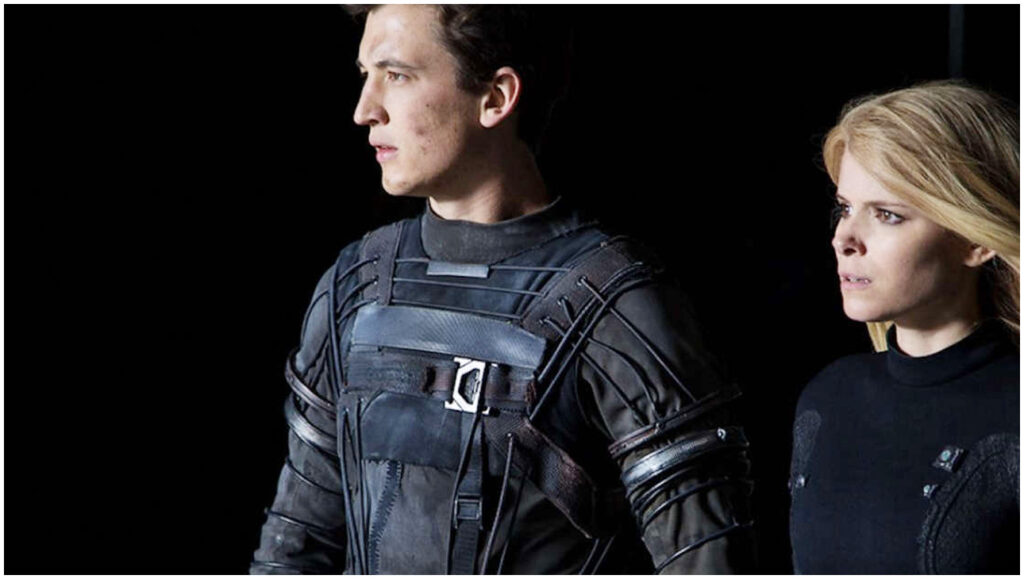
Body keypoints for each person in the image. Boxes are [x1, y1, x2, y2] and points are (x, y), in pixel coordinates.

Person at [251, 5, 755, 574]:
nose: (365, 110)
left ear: (496, 97)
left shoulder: (615, 303)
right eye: (366, 75)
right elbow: (293, 547)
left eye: (397, 75)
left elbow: (710, 560)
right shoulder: (355, 286)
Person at [789, 82, 1020, 574]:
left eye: (887, 215)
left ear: (975, 240)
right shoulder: (827, 399)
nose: (844, 237)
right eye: (845, 207)